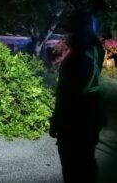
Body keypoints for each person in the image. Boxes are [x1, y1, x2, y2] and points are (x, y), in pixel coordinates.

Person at [49, 10, 105, 183]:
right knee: (88, 162)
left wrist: (56, 122)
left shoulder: (74, 59)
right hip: (93, 114)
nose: (67, 35)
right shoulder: (98, 51)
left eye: (70, 31)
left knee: (72, 166)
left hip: (75, 118)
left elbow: (65, 95)